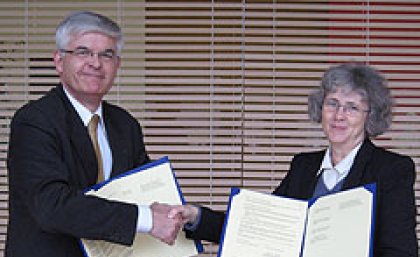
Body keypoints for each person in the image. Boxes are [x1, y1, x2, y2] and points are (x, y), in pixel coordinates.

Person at [170, 63, 418, 257]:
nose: (339, 115)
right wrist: (196, 216)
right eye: (332, 103)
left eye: (352, 107)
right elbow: (260, 227)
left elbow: (400, 252)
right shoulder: (303, 166)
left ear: (370, 116)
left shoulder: (392, 170)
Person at [6, 11, 182, 257]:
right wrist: (147, 219)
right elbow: (51, 206)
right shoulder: (34, 121)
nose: (95, 63)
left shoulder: (126, 125)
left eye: (106, 55)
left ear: (117, 65)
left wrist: (186, 215)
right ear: (59, 61)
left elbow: (145, 190)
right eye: (82, 52)